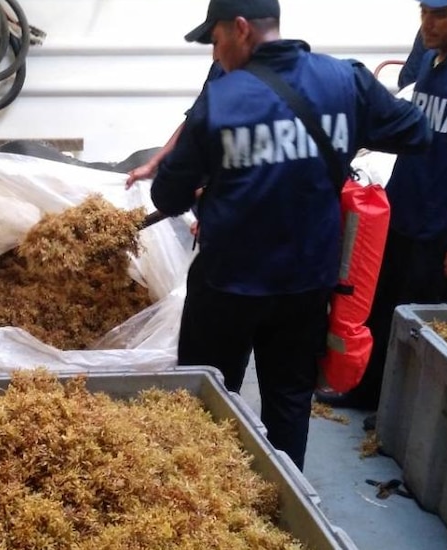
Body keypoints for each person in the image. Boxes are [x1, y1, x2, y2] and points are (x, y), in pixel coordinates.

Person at [149, 0, 431, 470]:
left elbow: (168, 195)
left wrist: (213, 174)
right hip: (305, 283)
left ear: (240, 30)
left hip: (228, 286)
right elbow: (414, 132)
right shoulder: (347, 80)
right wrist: (337, 143)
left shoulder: (222, 101)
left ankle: (207, 500)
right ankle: (285, 508)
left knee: (207, 399)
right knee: (289, 401)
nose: (216, 56)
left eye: (215, 42)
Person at [323, 0, 447, 413]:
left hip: (440, 228)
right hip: (405, 212)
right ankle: (367, 394)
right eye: (424, 12)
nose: (428, 23)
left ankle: (400, 418)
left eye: (440, 14)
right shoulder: (434, 60)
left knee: (417, 329)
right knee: (381, 312)